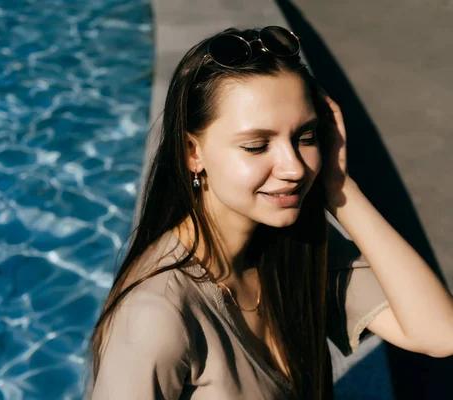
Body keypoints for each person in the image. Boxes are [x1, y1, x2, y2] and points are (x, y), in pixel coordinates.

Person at [83, 26, 453, 399]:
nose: (293, 167)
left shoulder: (290, 244)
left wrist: (340, 189)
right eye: (257, 146)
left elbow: (440, 334)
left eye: (305, 137)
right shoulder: (156, 314)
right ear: (192, 153)